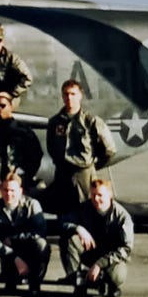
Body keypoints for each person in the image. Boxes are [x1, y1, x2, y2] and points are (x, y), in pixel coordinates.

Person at [45, 79, 116, 215]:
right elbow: (51, 146)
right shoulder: (55, 122)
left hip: (84, 174)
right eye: (66, 94)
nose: (69, 98)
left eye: (73, 94)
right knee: (63, 211)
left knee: (87, 211)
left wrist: (93, 165)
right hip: (63, 174)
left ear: (80, 96)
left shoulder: (91, 121)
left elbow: (109, 149)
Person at [60, 179, 133, 297]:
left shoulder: (122, 217)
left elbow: (126, 249)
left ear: (110, 195)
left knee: (117, 276)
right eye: (93, 195)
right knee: (68, 239)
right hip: (91, 251)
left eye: (100, 195)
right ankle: (80, 282)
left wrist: (99, 264)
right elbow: (62, 222)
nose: (96, 199)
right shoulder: (85, 208)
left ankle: (110, 284)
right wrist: (78, 228)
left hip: (111, 257)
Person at [0, 173, 50, 297]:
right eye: (5, 190)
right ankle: (12, 279)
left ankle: (34, 283)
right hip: (7, 253)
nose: (9, 194)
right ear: (0, 191)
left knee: (42, 245)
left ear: (20, 191)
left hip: (28, 251)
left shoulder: (32, 205)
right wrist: (14, 257)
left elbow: (40, 232)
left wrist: (13, 239)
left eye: (12, 190)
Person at [0, 91, 43, 198]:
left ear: (11, 107)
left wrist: (22, 176)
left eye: (3, 106)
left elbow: (36, 155)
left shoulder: (22, 131)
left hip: (15, 185)